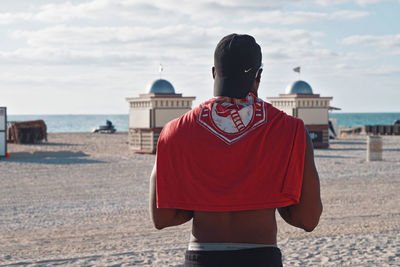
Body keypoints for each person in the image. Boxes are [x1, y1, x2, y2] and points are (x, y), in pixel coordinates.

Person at [150, 33, 322, 267]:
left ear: (213, 73)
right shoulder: (291, 130)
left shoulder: (175, 131)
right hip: (261, 258)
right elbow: (307, 219)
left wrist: (205, 200)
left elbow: (162, 217)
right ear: (259, 76)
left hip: (202, 258)